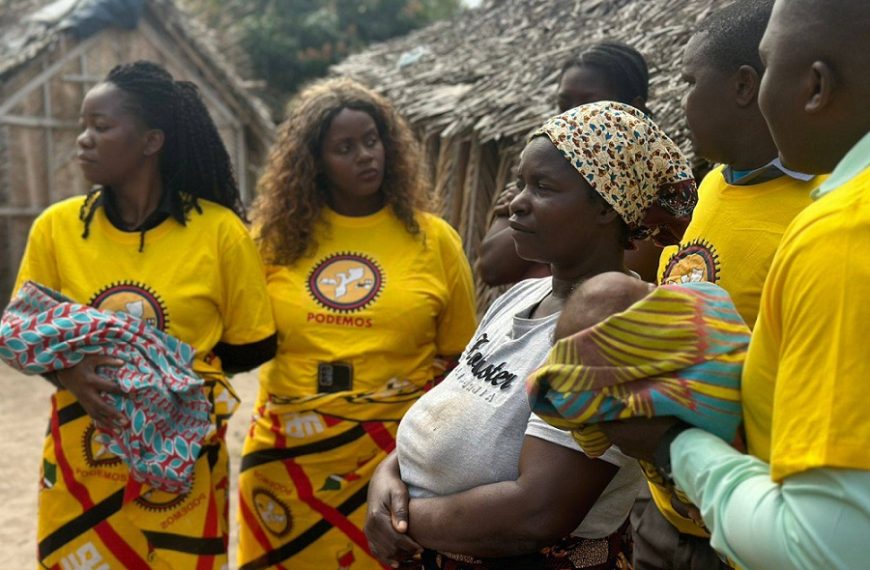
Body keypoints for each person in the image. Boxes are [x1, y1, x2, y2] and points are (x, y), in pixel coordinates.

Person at [365, 101, 697, 570]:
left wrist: (401, 522)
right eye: (521, 182)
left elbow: (539, 511)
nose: (516, 201)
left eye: (542, 187)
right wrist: (386, 477)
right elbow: (451, 409)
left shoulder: (617, 326)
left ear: (607, 206)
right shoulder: (521, 296)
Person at [601, 0, 870, 567]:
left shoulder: (840, 230)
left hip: (745, 528)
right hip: (681, 512)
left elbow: (824, 546)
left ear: (814, 86)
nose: (682, 101)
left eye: (770, 66)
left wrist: (675, 445)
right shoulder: (714, 189)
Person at [10, 61, 277, 569]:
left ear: (152, 141)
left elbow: (253, 344)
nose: (84, 140)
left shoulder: (219, 234)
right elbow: (24, 333)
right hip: (81, 460)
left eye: (101, 127)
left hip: (182, 468)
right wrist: (67, 370)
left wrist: (159, 383)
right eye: (82, 127)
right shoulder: (56, 229)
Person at [237, 77, 477, 569]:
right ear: (314, 162)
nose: (365, 155)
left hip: (394, 465)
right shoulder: (271, 241)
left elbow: (459, 361)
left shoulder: (435, 241)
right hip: (288, 460)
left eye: (372, 141)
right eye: (344, 148)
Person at [477, 41, 663, 290]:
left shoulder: (649, 194)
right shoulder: (544, 168)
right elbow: (491, 267)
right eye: (564, 106)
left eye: (588, 105)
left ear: (634, 107)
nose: (570, 116)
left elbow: (607, 287)